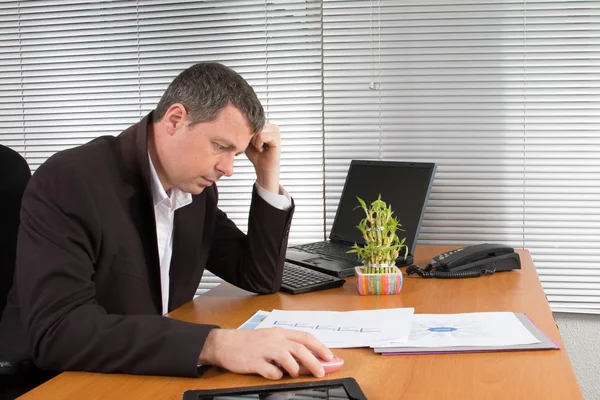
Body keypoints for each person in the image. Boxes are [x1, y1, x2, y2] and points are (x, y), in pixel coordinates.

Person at [0, 62, 333, 381]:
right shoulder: (71, 181)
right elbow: (59, 331)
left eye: (238, 152)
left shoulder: (194, 191)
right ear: (175, 119)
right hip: (57, 380)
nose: (229, 168)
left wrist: (267, 172)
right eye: (221, 146)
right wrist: (214, 344)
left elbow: (258, 276)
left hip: (149, 370)